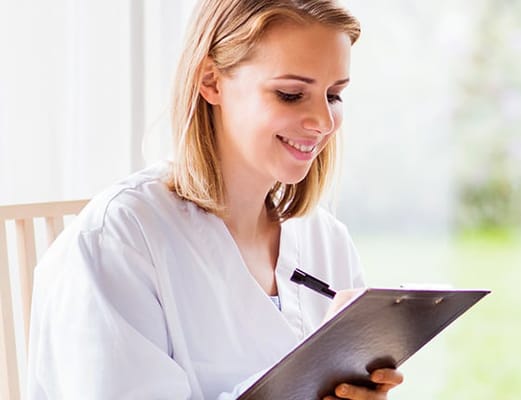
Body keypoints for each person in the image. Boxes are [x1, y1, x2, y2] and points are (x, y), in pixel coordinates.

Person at [25, 1, 403, 398]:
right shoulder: (119, 239)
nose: (323, 122)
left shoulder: (326, 241)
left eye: (334, 96)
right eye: (291, 94)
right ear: (211, 81)